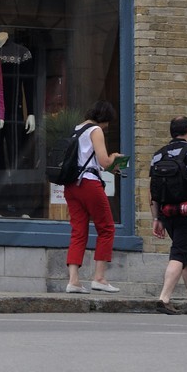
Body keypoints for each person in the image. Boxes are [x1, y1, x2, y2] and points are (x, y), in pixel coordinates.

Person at [148, 116, 187, 314]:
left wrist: (156, 218)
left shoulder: (158, 155)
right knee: (179, 253)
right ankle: (164, 297)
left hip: (168, 212)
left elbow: (152, 191)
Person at [63, 100, 122, 294]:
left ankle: (73, 281)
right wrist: (116, 159)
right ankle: (99, 278)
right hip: (89, 183)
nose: (106, 127)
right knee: (106, 228)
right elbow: (105, 162)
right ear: (104, 118)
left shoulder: (77, 129)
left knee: (78, 231)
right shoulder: (95, 130)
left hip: (71, 185)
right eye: (108, 123)